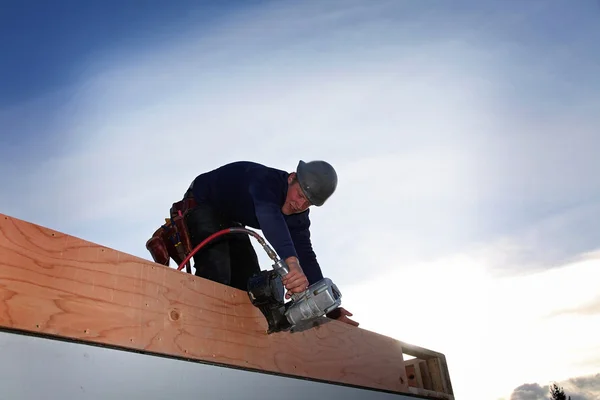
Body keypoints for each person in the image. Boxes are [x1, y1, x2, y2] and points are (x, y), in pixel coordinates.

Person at [181, 160, 358, 327]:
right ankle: (196, 324)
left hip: (232, 220)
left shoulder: (299, 217)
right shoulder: (265, 181)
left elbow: (306, 255)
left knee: (251, 286)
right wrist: (292, 264)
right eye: (300, 195)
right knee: (217, 275)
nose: (300, 204)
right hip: (203, 204)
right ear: (291, 178)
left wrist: (332, 310)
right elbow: (270, 217)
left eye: (308, 203)